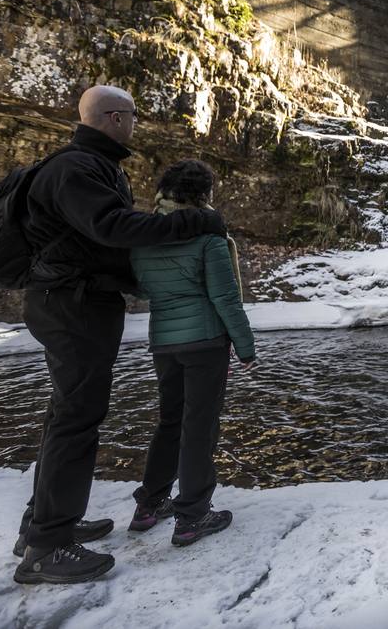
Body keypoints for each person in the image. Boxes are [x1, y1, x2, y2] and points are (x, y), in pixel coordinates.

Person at [14, 86, 227, 585]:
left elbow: (100, 242)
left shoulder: (90, 166)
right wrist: (195, 221)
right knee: (75, 419)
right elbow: (112, 228)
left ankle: (42, 524)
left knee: (67, 414)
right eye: (132, 116)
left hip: (75, 301)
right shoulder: (77, 168)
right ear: (113, 118)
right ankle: (46, 547)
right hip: (71, 304)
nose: (136, 124)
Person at [128, 159, 257, 547]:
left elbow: (143, 290)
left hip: (164, 343)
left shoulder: (145, 235)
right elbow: (225, 298)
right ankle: (192, 516)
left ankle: (149, 506)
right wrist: (245, 346)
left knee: (170, 422)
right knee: (199, 428)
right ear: (205, 195)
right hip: (205, 342)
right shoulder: (210, 237)